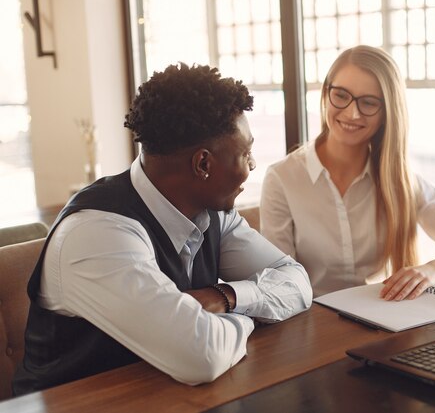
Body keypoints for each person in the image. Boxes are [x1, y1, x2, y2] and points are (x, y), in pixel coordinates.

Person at [13, 63, 312, 395]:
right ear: (203, 164)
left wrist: (225, 297)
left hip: (170, 398)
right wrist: (250, 317)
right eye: (245, 153)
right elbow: (202, 355)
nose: (253, 165)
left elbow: (296, 282)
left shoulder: (212, 212)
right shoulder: (96, 234)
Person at [260, 45, 435, 299]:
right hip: (311, 323)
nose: (352, 112)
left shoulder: (398, 179)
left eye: (368, 103)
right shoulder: (282, 178)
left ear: (386, 113)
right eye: (341, 95)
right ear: (326, 94)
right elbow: (278, 282)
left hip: (382, 316)